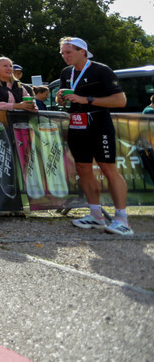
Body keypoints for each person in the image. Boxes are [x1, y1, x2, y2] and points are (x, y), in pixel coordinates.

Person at [56, 37, 132, 235]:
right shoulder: (66, 73)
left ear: (82, 51)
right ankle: (95, 215)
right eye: (63, 53)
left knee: (108, 169)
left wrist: (86, 99)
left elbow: (120, 100)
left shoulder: (101, 70)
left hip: (99, 123)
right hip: (77, 124)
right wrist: (62, 99)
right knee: (83, 168)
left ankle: (122, 219)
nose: (65, 56)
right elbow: (68, 101)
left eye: (68, 52)